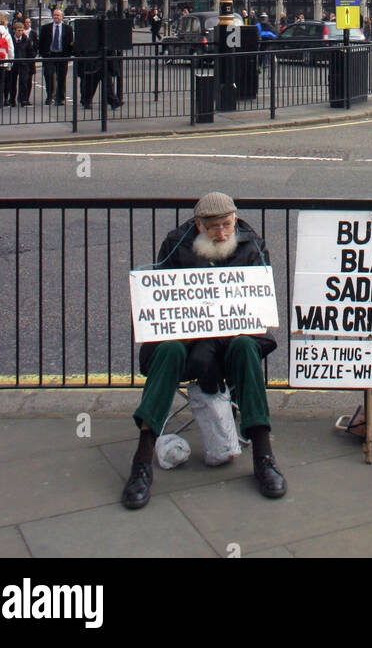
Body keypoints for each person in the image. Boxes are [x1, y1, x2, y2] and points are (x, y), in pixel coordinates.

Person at [121, 192, 286, 509]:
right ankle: (141, 464)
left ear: (234, 220)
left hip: (231, 344)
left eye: (226, 225)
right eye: (213, 227)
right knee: (168, 351)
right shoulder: (176, 244)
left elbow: (259, 309)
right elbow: (161, 304)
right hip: (186, 343)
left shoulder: (252, 245)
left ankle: (264, 457)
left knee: (244, 347)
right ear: (199, 225)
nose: (222, 233)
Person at [39, 7, 74, 106]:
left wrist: (68, 55)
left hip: (62, 55)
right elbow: (41, 42)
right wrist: (43, 54)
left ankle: (60, 98)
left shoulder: (68, 29)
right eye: (54, 15)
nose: (56, 17)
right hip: (49, 55)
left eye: (58, 15)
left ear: (62, 17)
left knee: (61, 77)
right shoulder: (46, 28)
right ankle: (50, 96)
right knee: (49, 75)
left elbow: (70, 43)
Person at [7, 20, 37, 106]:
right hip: (13, 63)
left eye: (21, 30)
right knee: (12, 82)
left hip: (24, 63)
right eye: (18, 30)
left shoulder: (26, 40)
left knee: (24, 82)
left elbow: (31, 51)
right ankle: (12, 99)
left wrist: (28, 60)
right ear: (14, 30)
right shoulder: (10, 39)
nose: (20, 32)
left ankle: (23, 99)